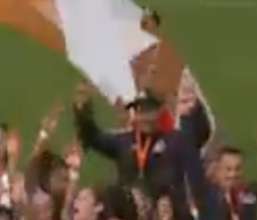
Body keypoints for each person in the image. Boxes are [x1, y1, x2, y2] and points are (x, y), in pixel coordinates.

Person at [72, 82, 211, 196]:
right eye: (139, 111)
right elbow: (93, 137)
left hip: (165, 218)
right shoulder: (123, 141)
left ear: (158, 112)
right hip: (129, 217)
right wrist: (82, 111)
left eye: (148, 109)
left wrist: (195, 109)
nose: (144, 116)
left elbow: (201, 134)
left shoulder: (175, 140)